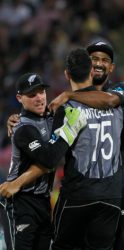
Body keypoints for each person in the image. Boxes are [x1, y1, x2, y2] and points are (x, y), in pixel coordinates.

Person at [48, 41, 124, 250]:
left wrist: (69, 94)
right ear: (88, 67)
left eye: (105, 60)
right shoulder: (77, 104)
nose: (99, 63)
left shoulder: (116, 94)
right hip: (102, 191)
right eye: (95, 59)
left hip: (115, 177)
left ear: (111, 68)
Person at [0, 72, 86, 250]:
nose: (39, 98)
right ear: (19, 98)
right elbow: (49, 159)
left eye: (41, 92)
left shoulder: (51, 118)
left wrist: (67, 98)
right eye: (32, 95)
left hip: (44, 203)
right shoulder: (22, 128)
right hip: (20, 203)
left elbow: (83, 104)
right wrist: (69, 131)